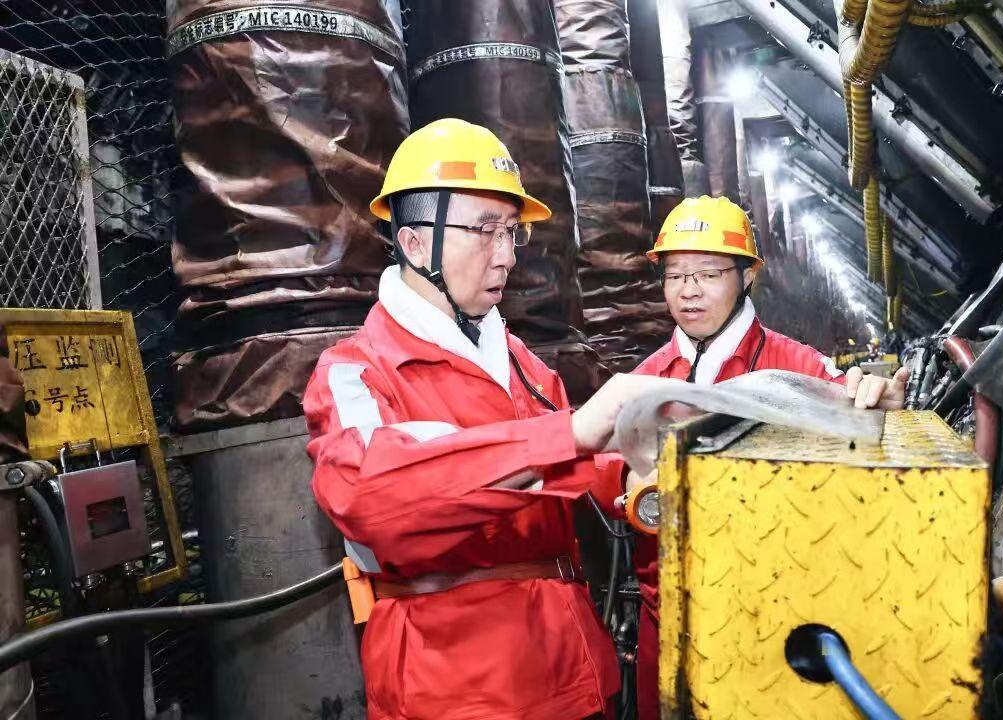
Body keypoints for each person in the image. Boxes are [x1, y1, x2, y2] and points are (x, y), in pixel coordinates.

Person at [304, 118, 672, 720]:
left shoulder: (525, 365)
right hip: (460, 688)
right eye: (484, 231)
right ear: (415, 244)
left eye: (511, 232)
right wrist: (568, 433)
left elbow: (571, 476)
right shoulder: (357, 372)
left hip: (572, 668)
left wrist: (640, 466)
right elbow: (370, 495)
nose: (506, 256)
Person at [593, 195, 909, 720]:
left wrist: (877, 407)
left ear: (746, 276)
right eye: (675, 275)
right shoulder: (642, 380)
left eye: (707, 273)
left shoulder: (798, 368)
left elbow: (861, 440)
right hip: (664, 615)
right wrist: (627, 475)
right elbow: (598, 465)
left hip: (771, 611)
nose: (689, 290)